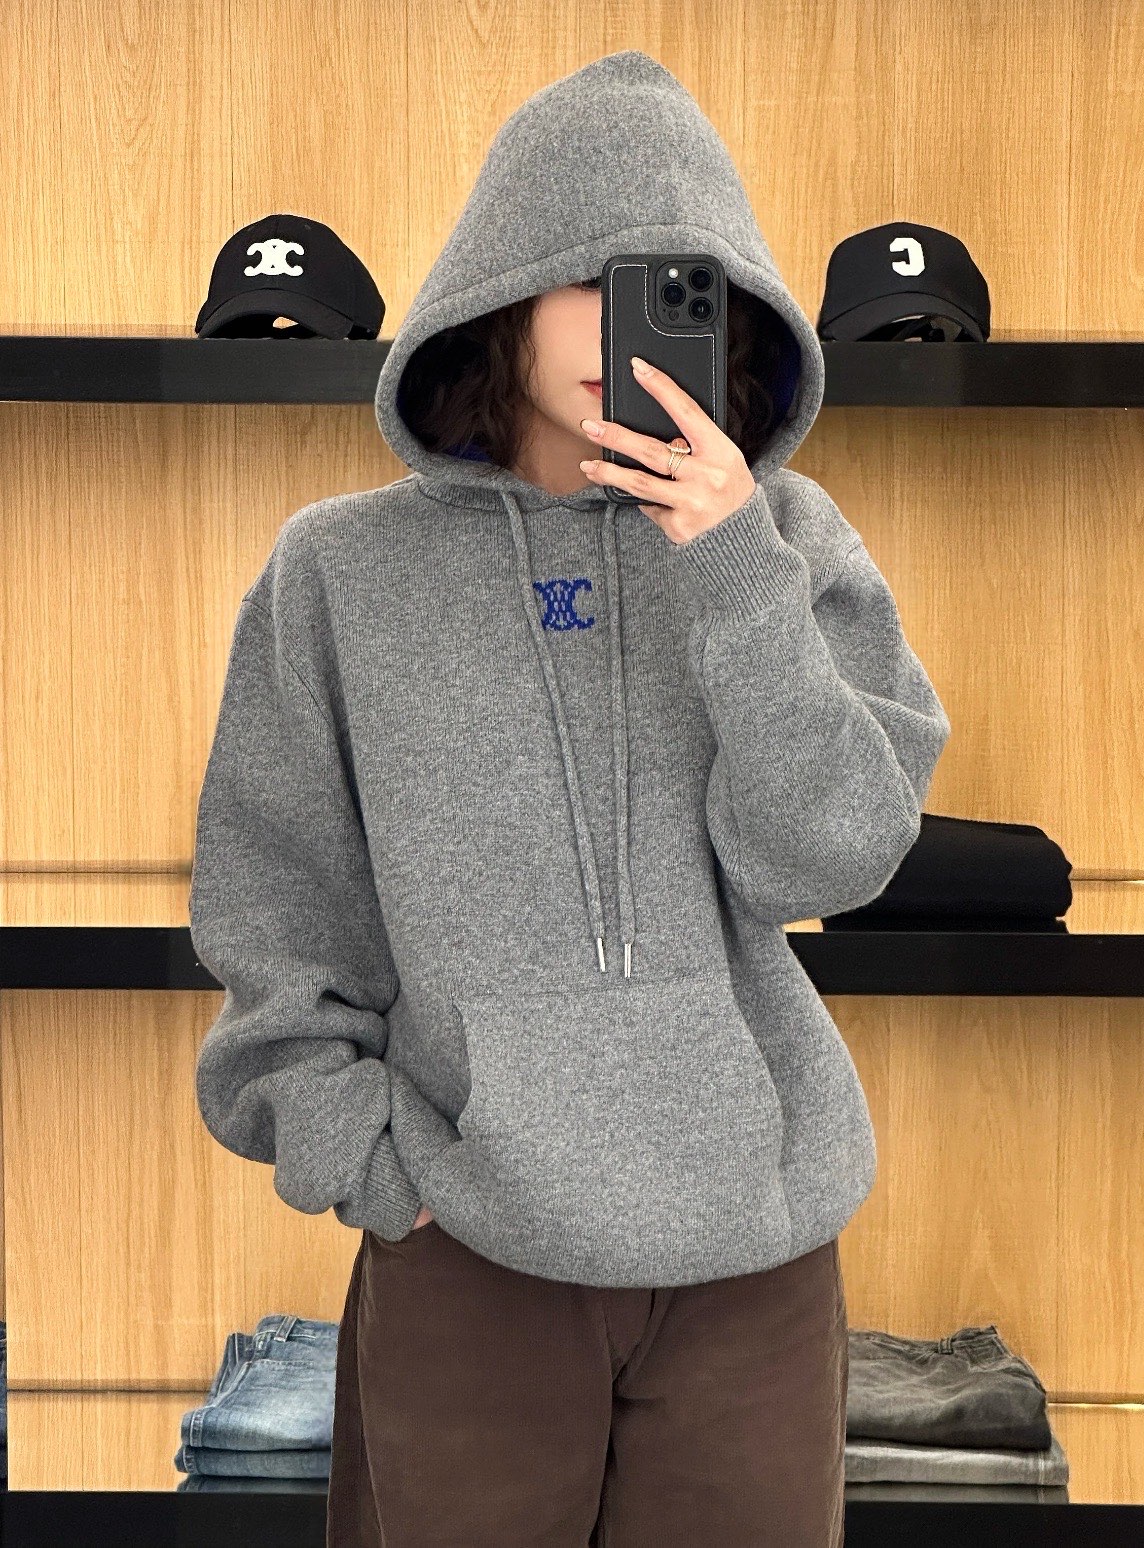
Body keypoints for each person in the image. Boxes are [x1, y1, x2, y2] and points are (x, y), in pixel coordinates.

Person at [188, 49, 951, 1548]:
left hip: (751, 1260)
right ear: (501, 290)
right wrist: (374, 1167)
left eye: (669, 289)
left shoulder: (784, 543)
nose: (621, 328)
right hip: (465, 1246)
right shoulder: (338, 572)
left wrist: (730, 568)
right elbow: (274, 917)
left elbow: (835, 856)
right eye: (581, 282)